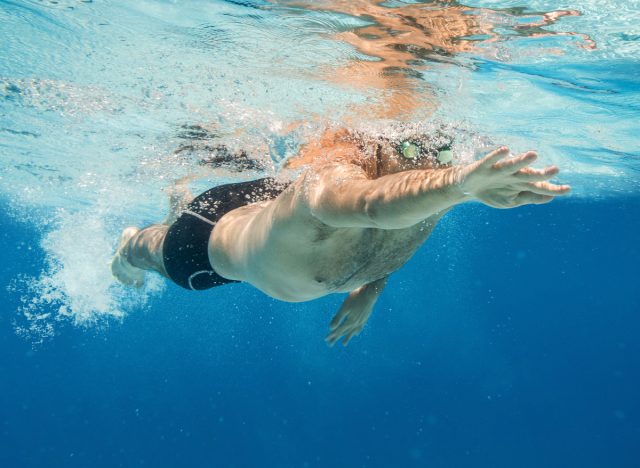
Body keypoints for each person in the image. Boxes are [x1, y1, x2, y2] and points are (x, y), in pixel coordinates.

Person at [111, 128, 570, 345]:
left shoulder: (425, 192)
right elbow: (373, 207)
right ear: (383, 144)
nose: (429, 159)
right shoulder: (330, 186)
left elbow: (393, 235)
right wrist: (459, 183)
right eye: (414, 148)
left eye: (443, 152)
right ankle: (133, 242)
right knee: (154, 251)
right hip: (206, 244)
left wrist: (370, 288)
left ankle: (176, 202)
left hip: (270, 203)